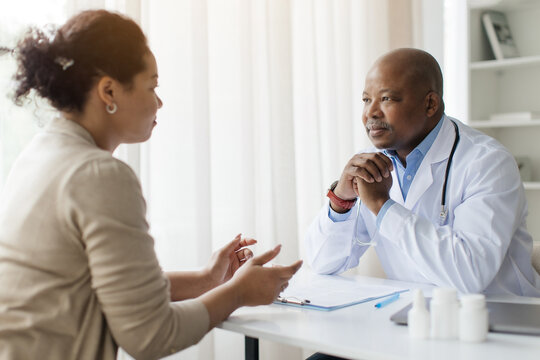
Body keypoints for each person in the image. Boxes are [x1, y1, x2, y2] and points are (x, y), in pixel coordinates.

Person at [0, 10, 302, 360]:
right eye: (152, 86)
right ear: (109, 91)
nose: (159, 102)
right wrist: (238, 293)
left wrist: (207, 280)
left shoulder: (40, 153)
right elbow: (152, 336)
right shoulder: (99, 175)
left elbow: (102, 288)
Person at [305, 48, 540, 297]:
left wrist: (382, 206)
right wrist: (342, 201)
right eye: (366, 100)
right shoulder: (371, 165)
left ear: (430, 104)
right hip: (415, 318)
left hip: (500, 320)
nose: (371, 113)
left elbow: (471, 273)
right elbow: (322, 262)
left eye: (387, 99)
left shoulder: (487, 162)